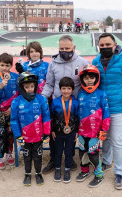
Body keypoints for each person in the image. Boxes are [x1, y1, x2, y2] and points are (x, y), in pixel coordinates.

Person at [92, 33, 122, 190]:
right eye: (102, 45)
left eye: (108, 45)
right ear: (98, 46)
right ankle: (106, 161)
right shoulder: (95, 62)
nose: (105, 47)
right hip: (102, 109)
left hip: (118, 108)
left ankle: (119, 173)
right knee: (105, 136)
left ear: (114, 45)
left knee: (116, 139)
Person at [41, 35, 89, 174]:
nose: (64, 51)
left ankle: (70, 158)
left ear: (73, 48)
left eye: (67, 48)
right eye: (61, 48)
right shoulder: (53, 63)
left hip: (74, 107)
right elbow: (49, 84)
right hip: (57, 106)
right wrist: (42, 99)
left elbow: (87, 84)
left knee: (71, 134)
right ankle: (53, 159)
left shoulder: (83, 63)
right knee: (54, 133)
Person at [10, 72, 51, 186]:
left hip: (38, 136)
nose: (30, 89)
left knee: (38, 156)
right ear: (22, 87)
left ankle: (38, 173)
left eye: (32, 86)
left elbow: (46, 117)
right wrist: (18, 135)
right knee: (27, 156)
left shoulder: (41, 99)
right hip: (24, 137)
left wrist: (46, 133)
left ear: (35, 86)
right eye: (26, 87)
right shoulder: (16, 101)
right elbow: (14, 120)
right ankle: (27, 174)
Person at [76, 64, 110, 188]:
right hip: (81, 132)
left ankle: (99, 175)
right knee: (82, 153)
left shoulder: (102, 94)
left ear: (96, 78)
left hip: (95, 133)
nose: (89, 80)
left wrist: (104, 129)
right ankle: (85, 171)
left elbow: (106, 114)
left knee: (93, 154)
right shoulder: (80, 94)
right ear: (82, 80)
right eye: (86, 78)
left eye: (92, 77)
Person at [0, 53, 18, 169]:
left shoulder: (16, 77)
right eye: (2, 65)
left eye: (7, 65)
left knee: (10, 133)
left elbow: (19, 95)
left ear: (11, 65)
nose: (5, 68)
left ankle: (9, 153)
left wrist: (12, 108)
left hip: (12, 111)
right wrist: (0, 87)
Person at [51, 77, 79, 183]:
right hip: (58, 133)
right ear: (60, 89)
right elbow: (52, 117)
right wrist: (52, 130)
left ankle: (67, 169)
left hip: (71, 133)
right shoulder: (55, 102)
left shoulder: (75, 102)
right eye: (63, 88)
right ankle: (57, 168)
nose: (66, 91)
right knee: (58, 152)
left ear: (72, 89)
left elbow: (77, 118)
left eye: (68, 88)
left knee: (68, 152)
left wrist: (76, 131)